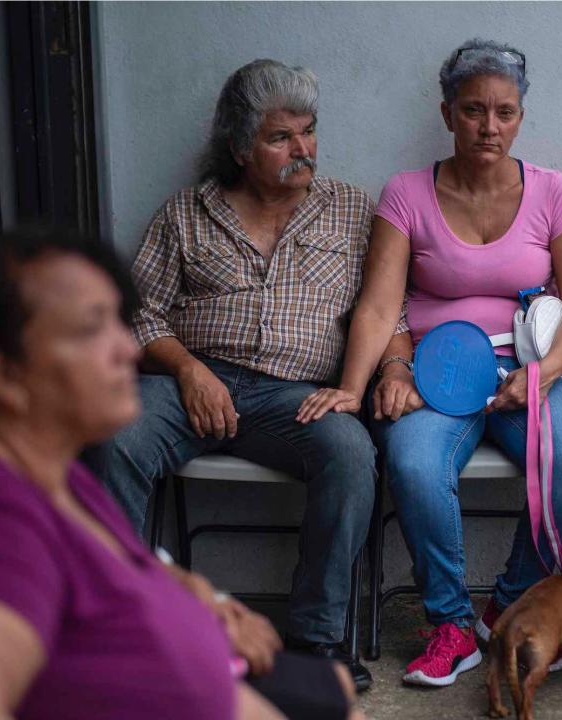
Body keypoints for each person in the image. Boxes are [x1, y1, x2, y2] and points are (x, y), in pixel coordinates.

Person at [0, 229, 363, 720]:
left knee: (332, 688)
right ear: (4, 376)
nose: (128, 349)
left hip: (218, 676)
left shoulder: (51, 471)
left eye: (120, 324)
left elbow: (97, 567)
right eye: (90, 330)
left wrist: (197, 597)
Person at [297, 39, 562, 687]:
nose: (488, 127)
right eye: (472, 111)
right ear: (446, 113)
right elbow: (379, 307)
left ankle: (512, 601)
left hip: (534, 369)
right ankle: (451, 626)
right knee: (411, 462)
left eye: (504, 112)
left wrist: (539, 376)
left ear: (521, 116)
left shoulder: (554, 193)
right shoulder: (407, 194)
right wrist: (366, 382)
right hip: (435, 374)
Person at [90, 59, 379, 690]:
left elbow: (386, 311)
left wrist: (390, 371)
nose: (302, 149)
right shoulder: (186, 214)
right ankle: (119, 625)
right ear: (240, 146)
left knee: (350, 453)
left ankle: (315, 642)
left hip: (295, 397)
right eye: (281, 137)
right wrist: (189, 370)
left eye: (308, 130)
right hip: (186, 385)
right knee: (113, 435)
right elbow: (134, 315)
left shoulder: (352, 210)